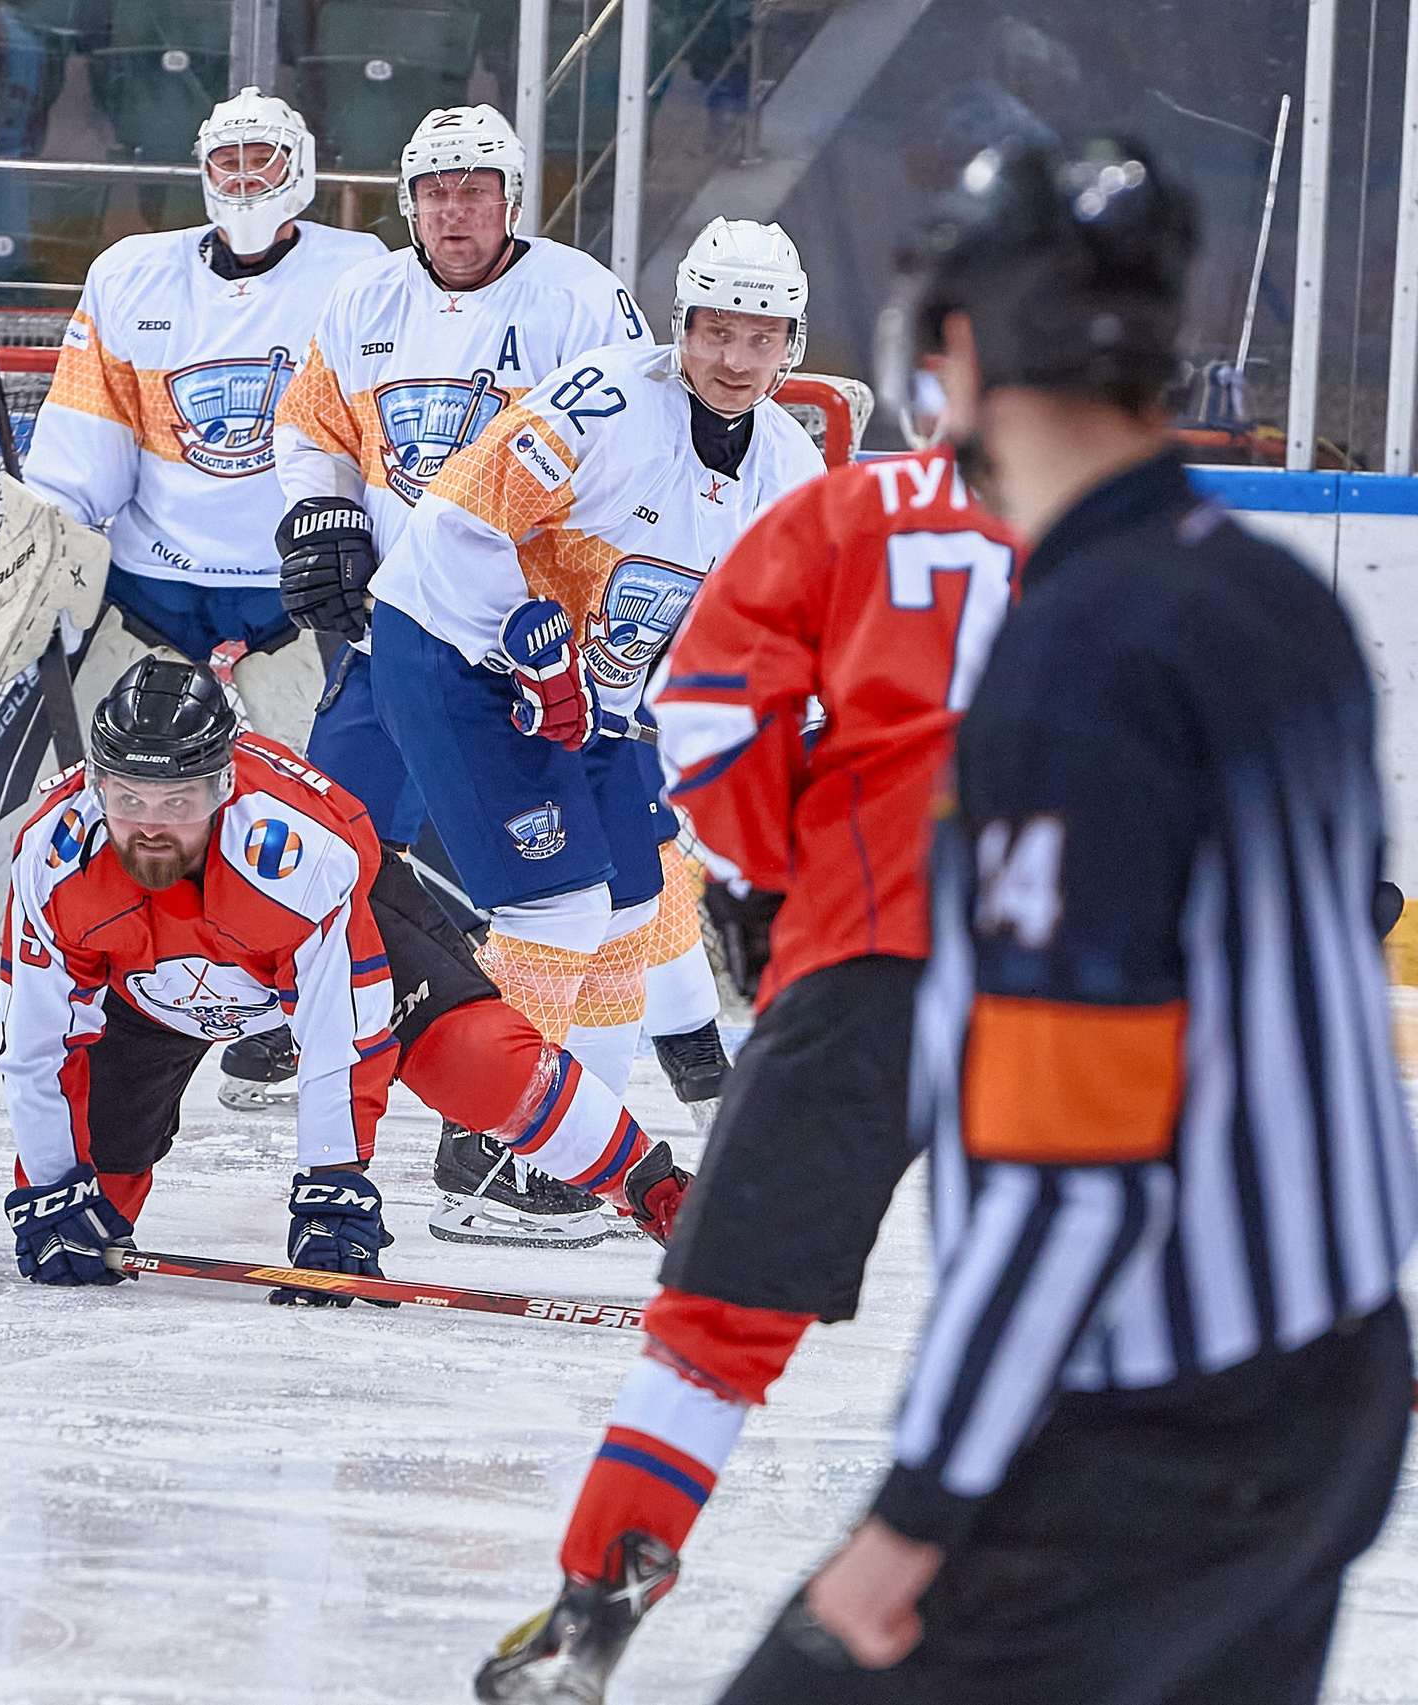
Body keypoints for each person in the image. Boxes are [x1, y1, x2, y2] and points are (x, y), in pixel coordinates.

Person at [713, 138, 1416, 1705]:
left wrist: (920, 1513)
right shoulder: (1282, 604)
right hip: (1339, 1382)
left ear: (951, 352)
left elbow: (1066, 1171)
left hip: (1149, 1431)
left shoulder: (1074, 666)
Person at [471, 279, 1021, 1702]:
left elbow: (707, 714)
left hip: (863, 963)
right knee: (1081, 1314)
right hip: (1067, 994)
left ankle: (597, 1605)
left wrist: (777, 879)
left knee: (718, 1323)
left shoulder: (843, 511)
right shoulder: (1151, 545)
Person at [0, 86, 382, 1010]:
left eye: (264, 159)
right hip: (152, 583)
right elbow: (86, 446)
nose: (246, 178)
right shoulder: (132, 273)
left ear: (300, 170)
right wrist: (50, 535)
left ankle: (375, 954)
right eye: (229, 160)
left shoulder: (358, 273)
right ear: (202, 169)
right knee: (62, 768)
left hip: (292, 595)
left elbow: (372, 426)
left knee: (338, 791)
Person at [268, 103, 654, 1245]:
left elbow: (636, 446)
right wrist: (322, 516)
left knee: (569, 881)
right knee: (336, 833)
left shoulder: (580, 298)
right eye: (435, 189)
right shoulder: (365, 301)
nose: (455, 207)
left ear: (513, 197)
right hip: (402, 627)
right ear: (408, 201)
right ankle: (315, 1011)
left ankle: (512, 1104)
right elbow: (309, 424)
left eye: (476, 187)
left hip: (536, 642)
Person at [0, 659, 688, 1297]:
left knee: (476, 1059)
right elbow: (38, 1045)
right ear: (96, 786)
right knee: (88, 1214)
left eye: (178, 802)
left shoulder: (297, 853)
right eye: (130, 800)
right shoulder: (51, 858)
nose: (151, 829)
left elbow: (338, 1032)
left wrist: (334, 1182)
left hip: (339, 928)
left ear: (223, 786)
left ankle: (662, 1194)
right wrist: (51, 1186)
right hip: (144, 995)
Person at [363, 220, 824, 1136]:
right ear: (681, 326)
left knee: (632, 898)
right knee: (558, 905)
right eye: (715, 329)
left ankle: (575, 1147)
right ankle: (486, 1150)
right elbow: (460, 516)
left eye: (760, 337)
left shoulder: (792, 469)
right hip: (455, 648)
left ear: (791, 346)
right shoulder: (604, 398)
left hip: (592, 694)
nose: (734, 357)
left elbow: (794, 642)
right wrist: (526, 645)